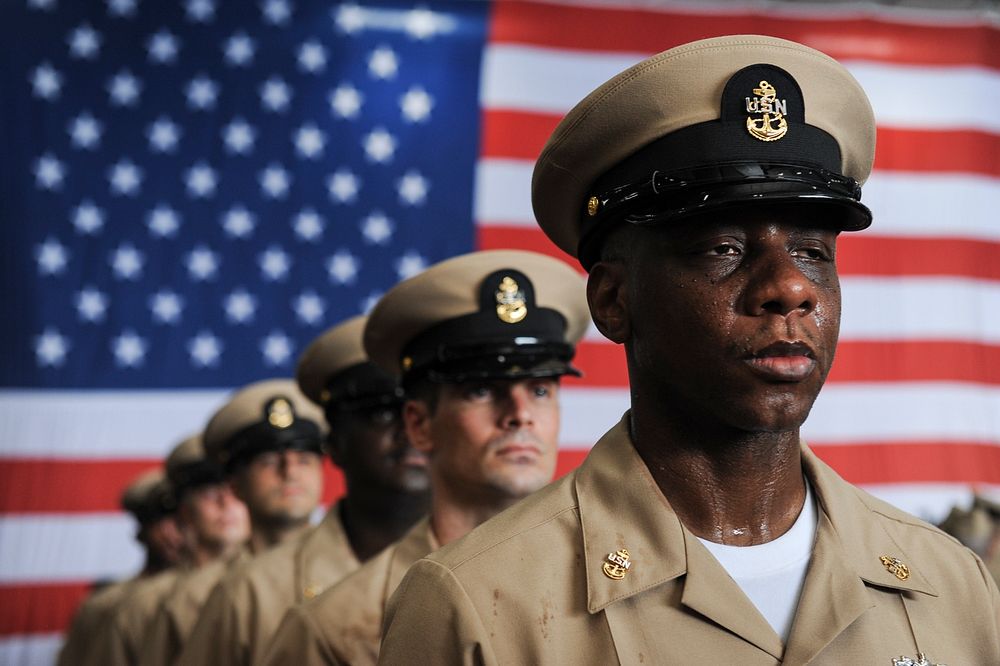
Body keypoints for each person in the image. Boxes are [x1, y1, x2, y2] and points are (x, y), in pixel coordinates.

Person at [378, 35, 1000, 664]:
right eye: (723, 249)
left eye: (813, 252)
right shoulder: (480, 605)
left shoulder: (950, 586)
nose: (789, 287)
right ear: (614, 300)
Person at [261, 250, 589, 665]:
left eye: (540, 390)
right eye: (481, 390)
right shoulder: (333, 630)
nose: (520, 414)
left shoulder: (619, 579)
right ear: (419, 425)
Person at [182, 316, 432, 666]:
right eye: (380, 414)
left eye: (420, 411)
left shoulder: (489, 567)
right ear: (335, 445)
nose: (408, 429)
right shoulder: (247, 594)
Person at [179, 378, 326, 664]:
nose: (290, 472)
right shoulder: (199, 596)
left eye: (305, 459)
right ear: (235, 485)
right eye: (269, 461)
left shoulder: (366, 568)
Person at [138, 435, 250, 666]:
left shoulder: (268, 580)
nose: (225, 502)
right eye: (209, 493)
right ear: (185, 511)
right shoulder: (156, 604)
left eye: (233, 490)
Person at [57, 468, 182, 666]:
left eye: (179, 520)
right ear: (140, 533)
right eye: (158, 522)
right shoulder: (104, 606)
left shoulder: (208, 593)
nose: (171, 533)